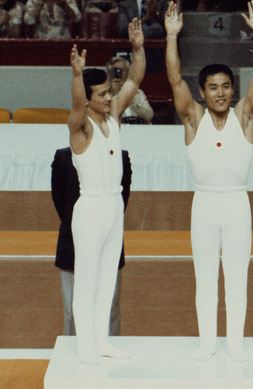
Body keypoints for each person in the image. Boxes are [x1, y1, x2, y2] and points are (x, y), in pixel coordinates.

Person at [165, 0, 253, 362]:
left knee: (237, 276)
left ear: (233, 90)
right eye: (213, 87)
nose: (221, 92)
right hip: (205, 204)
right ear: (202, 92)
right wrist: (172, 37)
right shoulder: (193, 118)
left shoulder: (245, 118)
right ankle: (207, 342)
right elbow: (175, 78)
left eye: (226, 86)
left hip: (237, 203)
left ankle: (235, 342)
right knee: (206, 277)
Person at [66, 18, 144, 364]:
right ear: (88, 98)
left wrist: (139, 48)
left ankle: (101, 342)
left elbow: (135, 78)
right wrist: (76, 74)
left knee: (107, 279)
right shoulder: (79, 129)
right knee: (86, 279)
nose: (110, 96)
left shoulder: (113, 117)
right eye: (102, 93)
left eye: (109, 91)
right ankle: (84, 347)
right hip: (91, 209)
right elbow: (76, 105)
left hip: (114, 207)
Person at [51, 147, 130, 338]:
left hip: (109, 239)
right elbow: (60, 199)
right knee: (72, 311)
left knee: (110, 308)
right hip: (72, 243)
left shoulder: (120, 157)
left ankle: (110, 353)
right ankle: (72, 356)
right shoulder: (63, 157)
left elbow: (122, 198)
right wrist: (78, 224)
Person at [106, 56, 154, 124]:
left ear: (128, 72)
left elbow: (149, 116)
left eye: (123, 70)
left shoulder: (137, 93)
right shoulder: (104, 94)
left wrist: (130, 93)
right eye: (116, 70)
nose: (120, 73)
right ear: (110, 74)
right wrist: (114, 92)